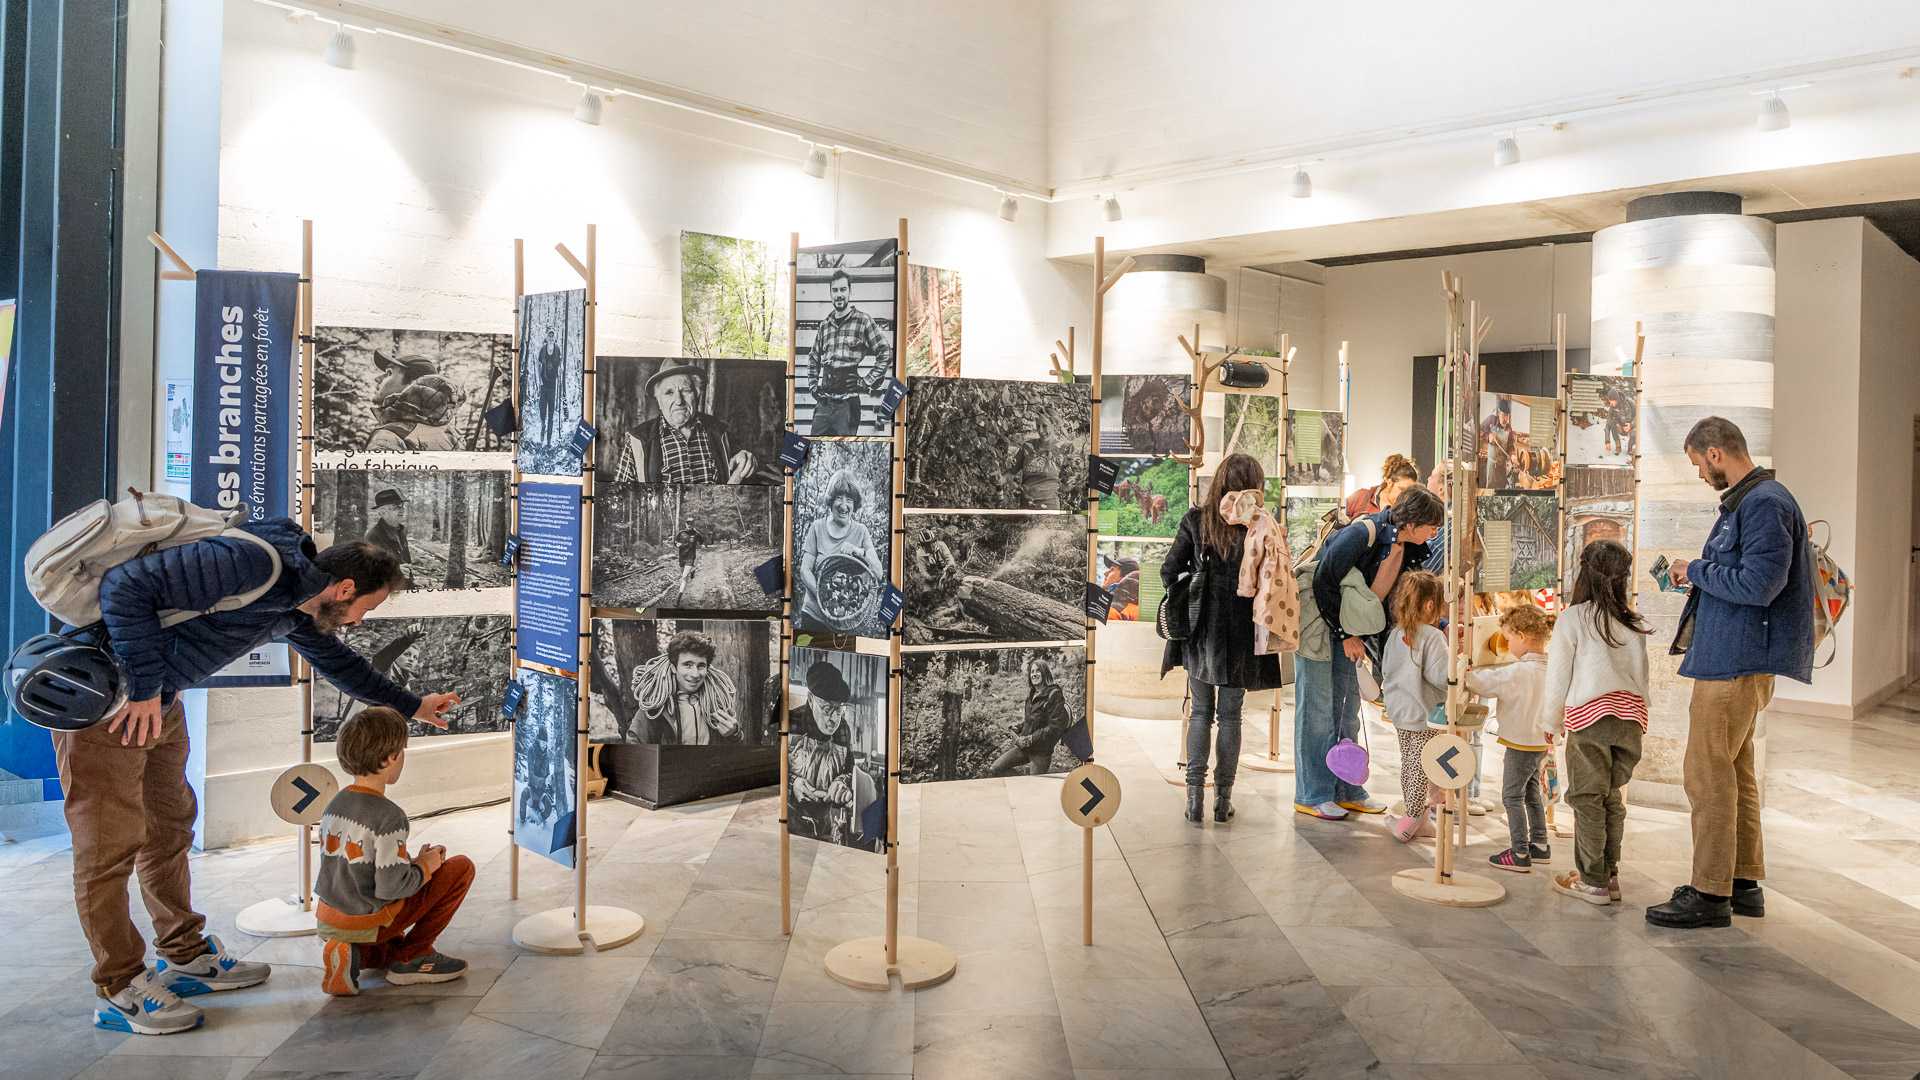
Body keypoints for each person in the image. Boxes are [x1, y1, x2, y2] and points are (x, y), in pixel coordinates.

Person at [72, 533, 458, 1035]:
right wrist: (144, 686)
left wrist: (415, 706)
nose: (361, 620)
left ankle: (185, 956)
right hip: (108, 699)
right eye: (366, 607)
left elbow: (343, 666)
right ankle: (118, 987)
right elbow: (124, 587)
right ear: (343, 589)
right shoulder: (250, 564)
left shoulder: (295, 610)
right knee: (108, 848)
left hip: (160, 704)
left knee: (169, 831)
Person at [1647, 417, 1813, 929]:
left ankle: (1709, 891)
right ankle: (1741, 881)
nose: (1699, 473)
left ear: (1716, 453)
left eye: (1699, 463)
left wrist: (1694, 569)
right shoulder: (1756, 499)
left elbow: (1761, 584)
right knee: (1735, 771)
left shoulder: (1763, 502)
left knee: (1707, 775)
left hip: (1735, 662)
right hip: (1736, 656)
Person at [1295, 485, 1445, 820]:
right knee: (1317, 709)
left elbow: (1399, 598)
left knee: (1347, 707)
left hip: (1355, 631)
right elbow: (1324, 581)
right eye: (1431, 525)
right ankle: (1313, 793)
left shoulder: (1410, 549)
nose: (1435, 533)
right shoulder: (1363, 532)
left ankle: (1348, 787)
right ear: (1413, 521)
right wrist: (1345, 633)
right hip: (1320, 623)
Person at [316, 706, 473, 996]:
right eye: (402, 751)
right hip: (368, 918)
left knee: (387, 939)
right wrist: (426, 866)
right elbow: (391, 888)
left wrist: (412, 862)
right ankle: (414, 956)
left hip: (331, 916)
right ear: (391, 758)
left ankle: (354, 954)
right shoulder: (389, 817)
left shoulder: (334, 805)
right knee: (461, 868)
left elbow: (358, 869)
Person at [1161, 453, 1284, 824]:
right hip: (1244, 631)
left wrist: (1193, 587)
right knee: (1231, 716)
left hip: (1201, 631)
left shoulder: (1196, 521)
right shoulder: (1262, 525)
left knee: (1200, 712)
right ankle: (1222, 801)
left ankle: (1194, 799)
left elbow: (1169, 571)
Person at [1544, 539, 1651, 906]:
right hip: (1630, 719)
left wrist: (1550, 719)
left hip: (1590, 718)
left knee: (1586, 798)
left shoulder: (1574, 618)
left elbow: (1558, 676)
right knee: (1611, 798)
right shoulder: (1632, 621)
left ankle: (1593, 881)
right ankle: (1610, 874)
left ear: (1584, 572)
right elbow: (1643, 677)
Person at [1466, 604, 1556, 871]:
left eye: (1508, 639)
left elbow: (1486, 683)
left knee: (1511, 796)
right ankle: (1540, 845)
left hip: (1520, 742)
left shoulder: (1518, 672)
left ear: (1523, 636)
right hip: (1541, 741)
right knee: (1531, 792)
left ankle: (1519, 852)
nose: (1507, 644)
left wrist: (1467, 672)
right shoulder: (1551, 668)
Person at [614, 363, 763, 484]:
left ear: (697, 394)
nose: (679, 401)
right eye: (669, 393)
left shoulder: (721, 431)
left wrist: (747, 460)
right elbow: (620, 497)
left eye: (685, 390)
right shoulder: (637, 440)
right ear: (659, 401)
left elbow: (747, 470)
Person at [1382, 570, 1448, 842]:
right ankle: (1412, 817)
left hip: (1400, 710)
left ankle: (1419, 818)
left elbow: (1385, 669)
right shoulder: (1432, 636)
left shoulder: (1395, 634)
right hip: (1425, 713)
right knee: (1421, 766)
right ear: (1431, 605)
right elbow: (1442, 677)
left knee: (1410, 762)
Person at [796, 470, 885, 631]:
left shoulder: (861, 531)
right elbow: (804, 570)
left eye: (849, 499)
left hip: (844, 621)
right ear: (831, 501)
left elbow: (878, 573)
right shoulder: (817, 528)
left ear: (854, 504)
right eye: (838, 498)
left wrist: (858, 551)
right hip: (814, 615)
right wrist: (823, 596)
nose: (844, 505)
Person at [810, 268, 892, 435]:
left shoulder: (863, 321)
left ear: (850, 292)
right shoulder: (824, 325)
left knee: (845, 454)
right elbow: (813, 357)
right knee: (814, 450)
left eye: (843, 289)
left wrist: (866, 381)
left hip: (848, 404)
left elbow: (885, 352)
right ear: (830, 294)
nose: (839, 294)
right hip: (824, 403)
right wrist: (813, 386)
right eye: (835, 290)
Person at [789, 660, 861, 844]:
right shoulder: (791, 722)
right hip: (791, 816)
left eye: (839, 710)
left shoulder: (843, 729)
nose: (834, 719)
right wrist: (792, 783)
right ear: (811, 699)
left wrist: (842, 781)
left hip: (827, 819)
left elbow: (849, 769)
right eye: (828, 709)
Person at [631, 631, 741, 745]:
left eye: (701, 666)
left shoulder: (718, 703)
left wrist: (734, 734)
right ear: (674, 667)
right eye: (687, 665)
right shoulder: (654, 707)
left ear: (707, 668)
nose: (695, 674)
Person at [987, 658, 1072, 777]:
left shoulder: (1054, 695)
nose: (1034, 674)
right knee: (995, 768)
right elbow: (1032, 720)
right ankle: (1021, 782)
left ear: (1044, 673)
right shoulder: (1031, 695)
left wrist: (1031, 739)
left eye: (1038, 671)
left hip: (1041, 752)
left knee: (1033, 785)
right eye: (1032, 672)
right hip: (1025, 748)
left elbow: (1055, 727)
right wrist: (1019, 727)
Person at [366, 352, 457, 452]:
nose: (377, 379)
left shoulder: (388, 437)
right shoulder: (453, 437)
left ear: (414, 385)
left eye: (389, 373)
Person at [1010, 409, 1065, 508]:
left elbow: (1072, 479)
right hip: (1026, 504)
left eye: (1044, 426)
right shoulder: (1027, 446)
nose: (1040, 431)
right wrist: (1000, 479)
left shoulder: (1063, 449)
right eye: (1038, 426)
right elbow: (1010, 473)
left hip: (1049, 505)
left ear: (1054, 425)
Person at [934, 651, 975, 779]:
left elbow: (966, 696)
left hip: (955, 710)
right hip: (950, 719)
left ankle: (948, 773)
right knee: (947, 740)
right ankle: (945, 772)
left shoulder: (962, 680)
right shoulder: (948, 679)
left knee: (952, 740)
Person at [365, 486, 416, 585]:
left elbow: (407, 564)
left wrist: (412, 582)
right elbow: (370, 570)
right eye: (395, 507)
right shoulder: (373, 536)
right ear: (382, 512)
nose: (402, 510)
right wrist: (395, 570)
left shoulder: (401, 531)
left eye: (402, 506)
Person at [1346, 453, 1420, 519]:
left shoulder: (1408, 511)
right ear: (1389, 481)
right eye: (1402, 490)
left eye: (1410, 492)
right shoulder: (1361, 497)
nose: (1406, 497)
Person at [674, 523, 703, 595]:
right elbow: (675, 541)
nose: (689, 525)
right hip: (682, 557)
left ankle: (679, 598)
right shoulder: (681, 533)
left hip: (690, 557)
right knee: (683, 575)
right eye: (688, 523)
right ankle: (692, 570)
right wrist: (677, 544)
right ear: (685, 524)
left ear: (693, 524)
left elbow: (701, 541)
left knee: (684, 577)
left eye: (691, 523)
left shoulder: (696, 534)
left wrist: (697, 532)